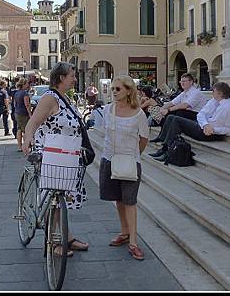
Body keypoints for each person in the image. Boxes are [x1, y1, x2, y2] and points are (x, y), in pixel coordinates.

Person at [22, 61, 89, 257]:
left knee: (63, 199)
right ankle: (55, 242)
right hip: (52, 153)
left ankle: (66, 238)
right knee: (55, 200)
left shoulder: (65, 98)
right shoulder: (49, 98)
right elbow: (33, 122)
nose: (75, 79)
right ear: (61, 78)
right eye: (72, 76)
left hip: (68, 155)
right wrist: (27, 139)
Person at [99, 76, 149, 260]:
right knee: (118, 200)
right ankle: (124, 232)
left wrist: (134, 156)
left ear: (129, 91)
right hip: (108, 159)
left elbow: (144, 139)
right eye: (113, 88)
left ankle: (133, 242)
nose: (114, 91)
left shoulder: (139, 114)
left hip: (129, 161)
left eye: (118, 89)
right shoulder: (107, 110)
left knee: (130, 202)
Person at [152, 82, 230, 162]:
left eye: (214, 91)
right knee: (171, 117)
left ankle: (168, 152)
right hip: (204, 126)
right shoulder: (214, 101)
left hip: (211, 133)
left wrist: (213, 129)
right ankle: (163, 146)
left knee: (176, 120)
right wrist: (205, 124)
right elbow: (201, 114)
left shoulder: (229, 108)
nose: (212, 93)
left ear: (220, 93)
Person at [149, 73, 206, 146]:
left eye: (184, 81)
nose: (182, 83)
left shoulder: (196, 93)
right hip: (188, 113)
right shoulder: (184, 92)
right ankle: (162, 137)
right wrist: (161, 109)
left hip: (197, 116)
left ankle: (167, 141)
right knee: (171, 114)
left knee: (176, 112)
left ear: (191, 82)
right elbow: (172, 102)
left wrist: (168, 110)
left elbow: (185, 105)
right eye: (181, 81)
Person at [13, 78, 31, 152]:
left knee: (19, 129)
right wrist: (30, 114)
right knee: (26, 130)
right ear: (23, 84)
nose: (28, 85)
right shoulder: (24, 93)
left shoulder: (16, 93)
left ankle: (20, 146)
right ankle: (26, 146)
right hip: (24, 114)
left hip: (17, 113)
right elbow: (27, 104)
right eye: (27, 83)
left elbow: (14, 104)